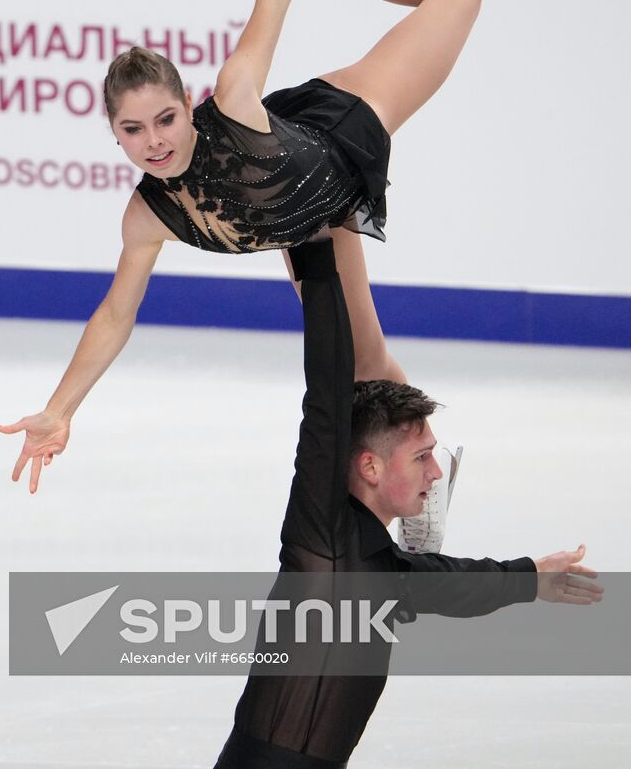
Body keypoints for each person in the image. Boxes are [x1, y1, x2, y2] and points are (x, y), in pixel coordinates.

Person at [0, 0, 485, 500]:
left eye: (165, 118)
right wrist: (60, 408)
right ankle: (426, 496)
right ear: (115, 135)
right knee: (369, 363)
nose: (153, 142)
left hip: (331, 134)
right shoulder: (146, 217)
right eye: (132, 131)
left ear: (186, 106)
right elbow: (114, 314)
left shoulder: (230, 94)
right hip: (305, 217)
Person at [212, 236, 602, 768]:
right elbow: (327, 382)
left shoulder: (383, 566)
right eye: (422, 458)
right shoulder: (321, 535)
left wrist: (532, 576)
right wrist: (310, 239)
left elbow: (455, 583)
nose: (437, 472)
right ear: (369, 467)